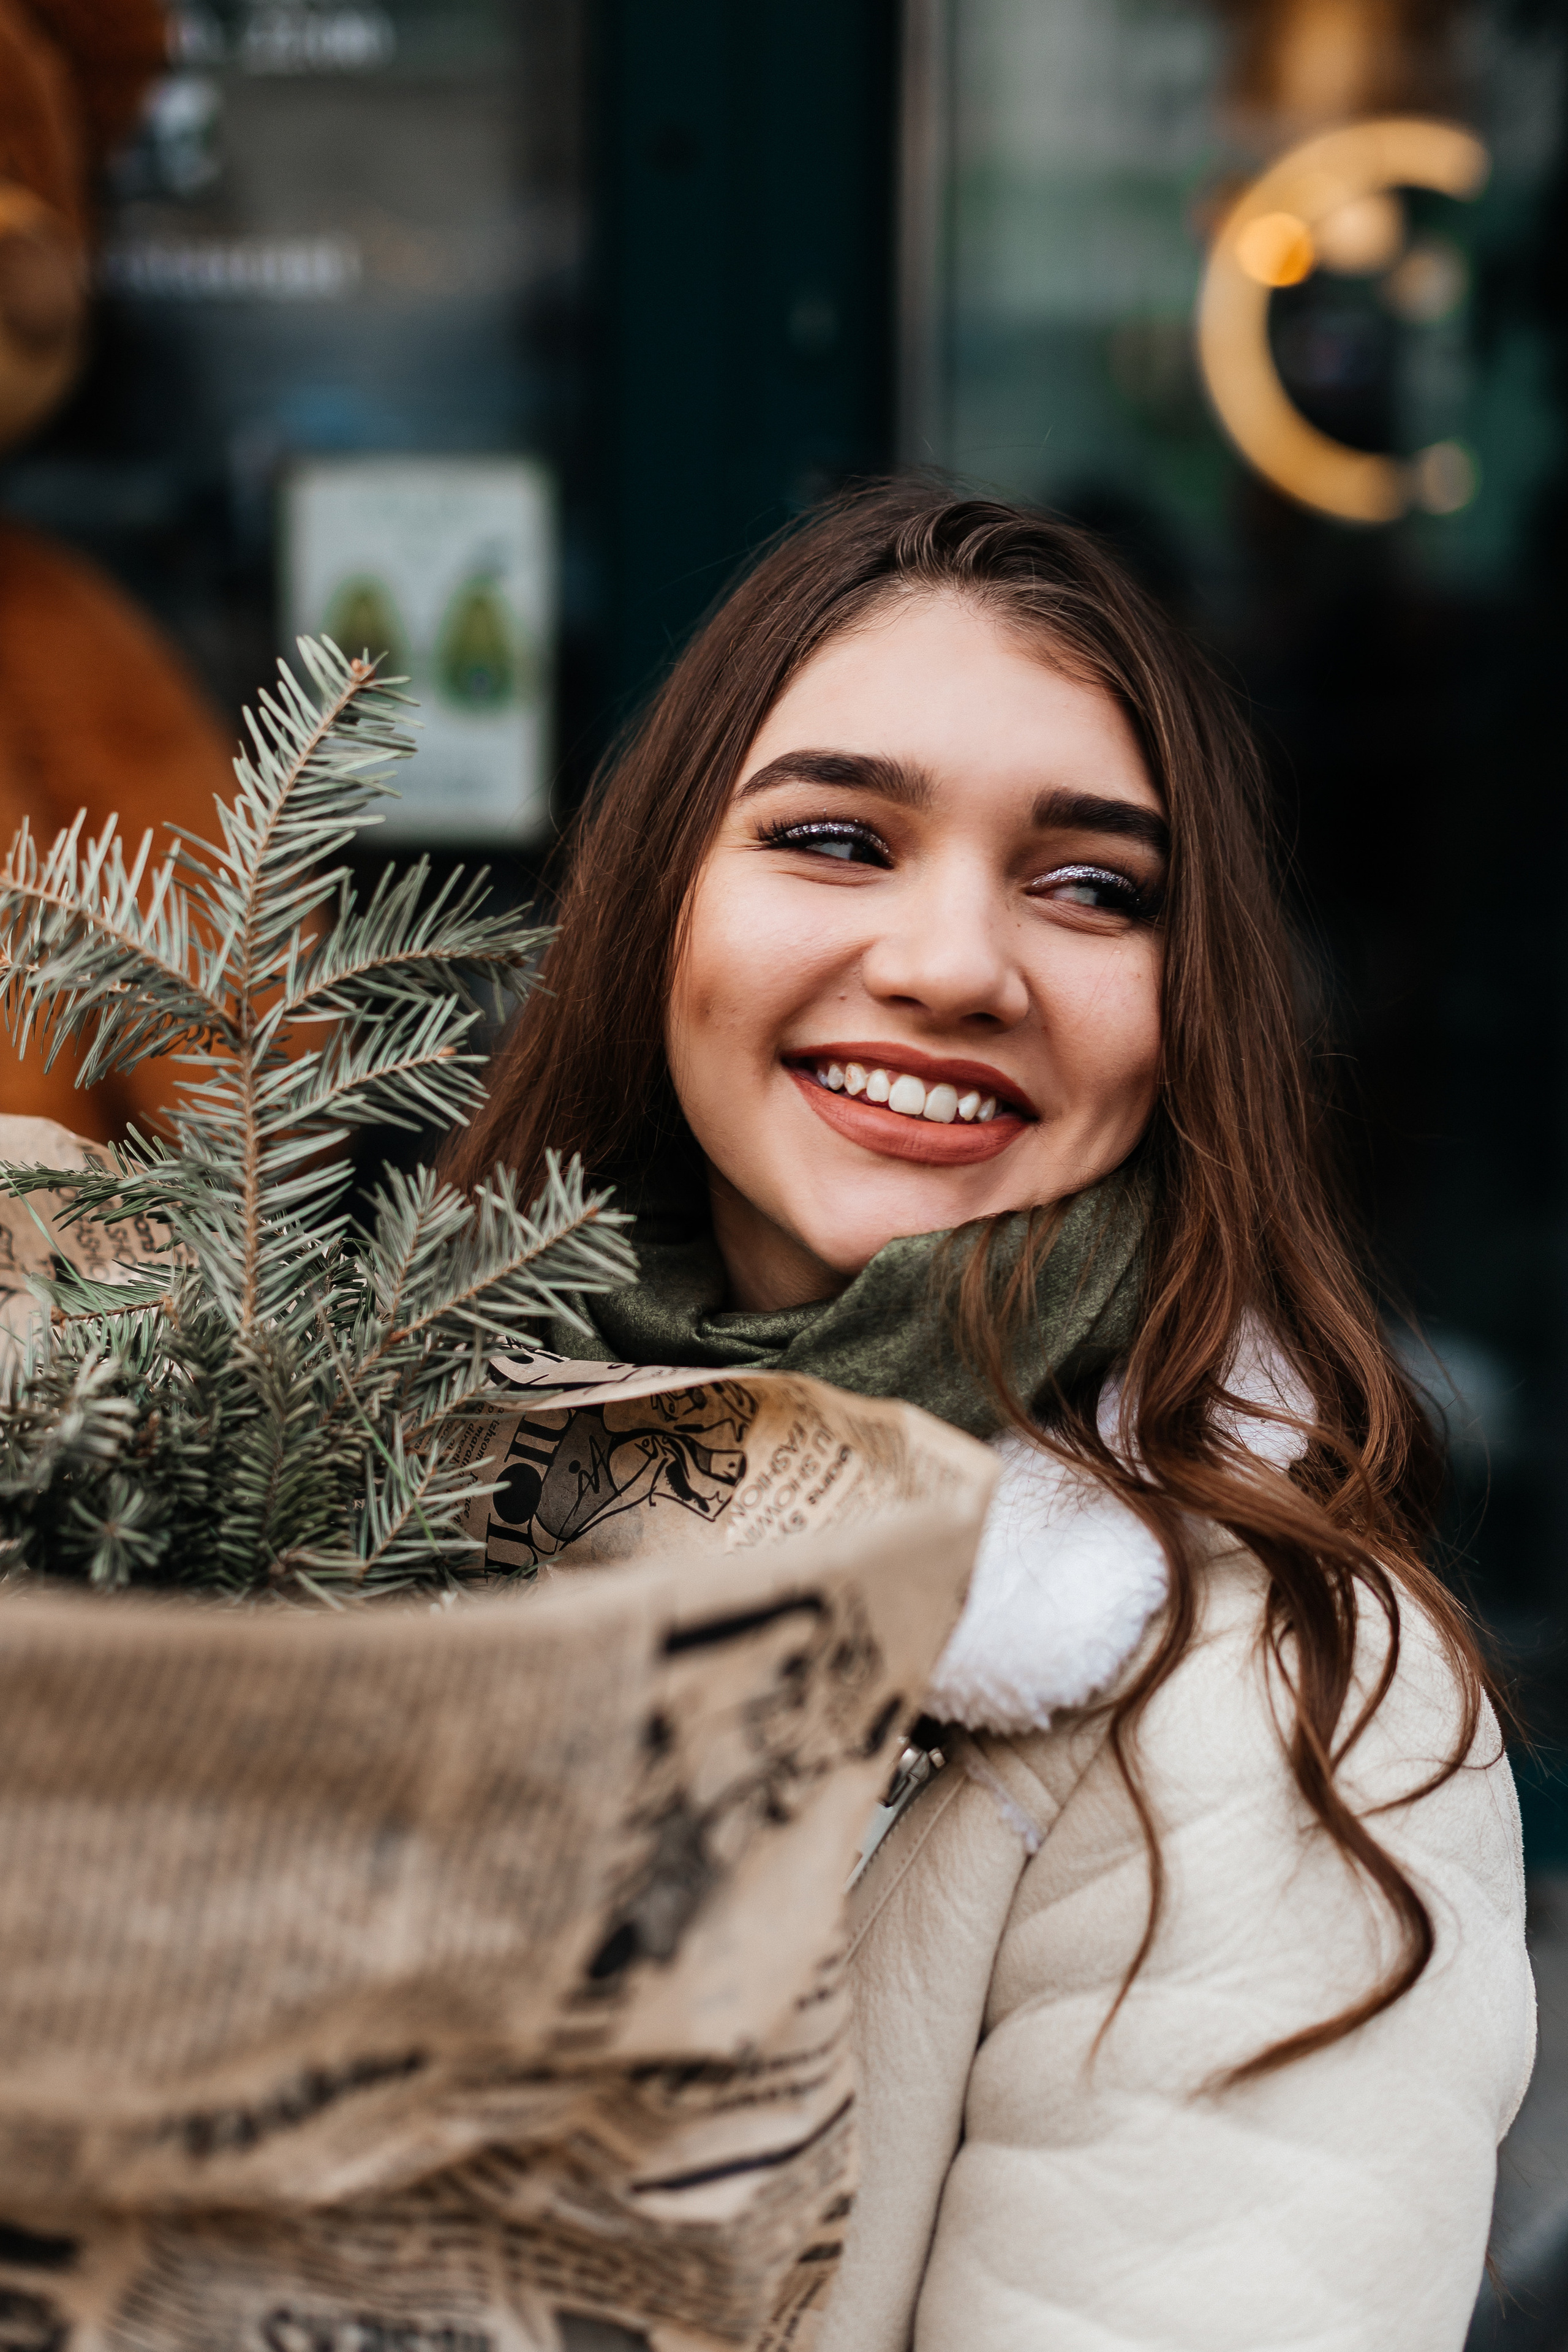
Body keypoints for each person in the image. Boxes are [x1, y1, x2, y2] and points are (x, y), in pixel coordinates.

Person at [445, 482, 1533, 2352]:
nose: (953, 966)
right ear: (658, 909)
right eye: (838, 838)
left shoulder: (1284, 1715)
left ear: (1188, 1009)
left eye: (1094, 885)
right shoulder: (348, 1478)